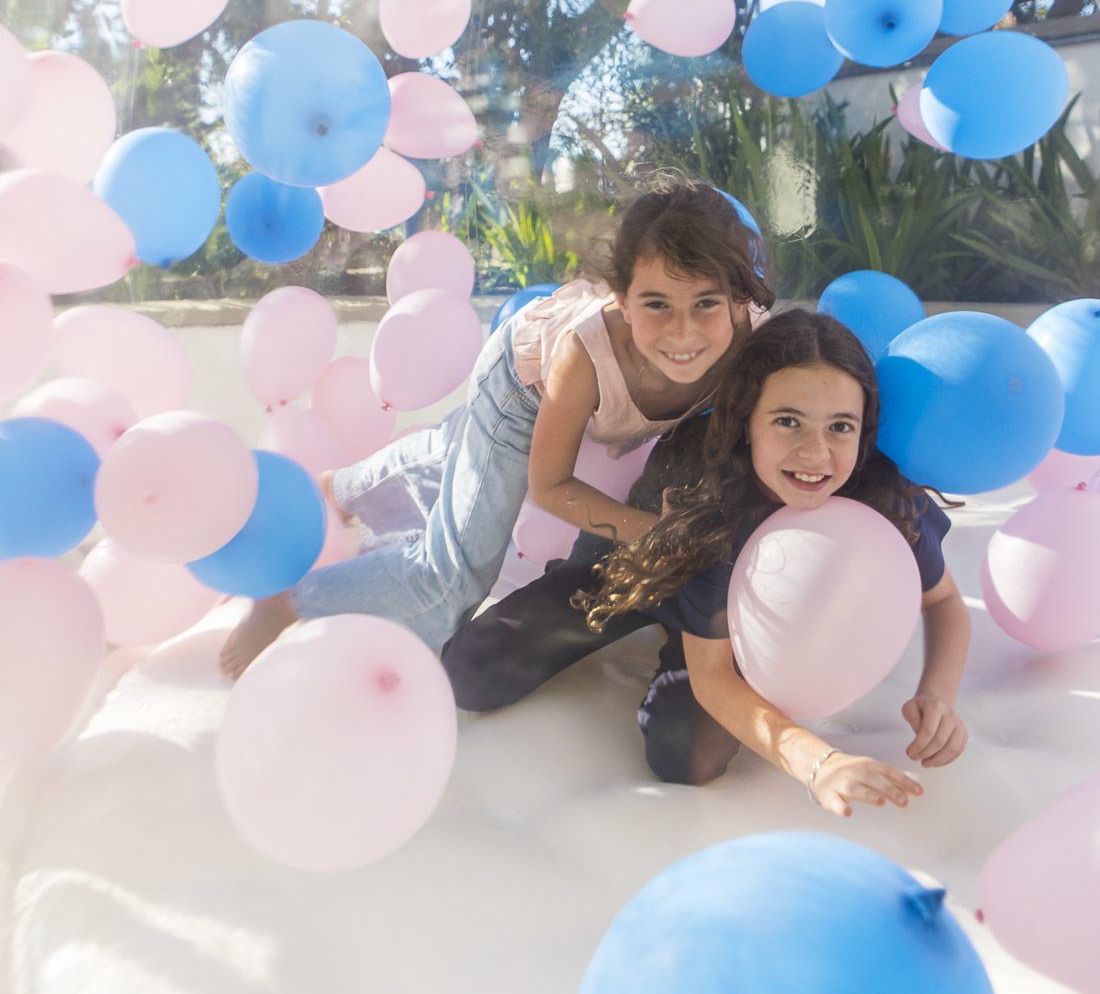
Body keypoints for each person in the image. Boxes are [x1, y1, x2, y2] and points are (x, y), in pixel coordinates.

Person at [220, 178, 774, 677]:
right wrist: (650, 531)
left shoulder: (754, 344)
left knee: (459, 454)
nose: (683, 332)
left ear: (740, 301)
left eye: (706, 303)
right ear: (623, 302)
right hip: (521, 385)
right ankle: (291, 599)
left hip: (591, 397)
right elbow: (549, 486)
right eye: (657, 304)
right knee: (450, 586)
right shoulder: (584, 356)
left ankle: (345, 487)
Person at [441, 308, 971, 819]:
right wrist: (820, 764)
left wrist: (938, 694)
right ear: (747, 422)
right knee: (470, 673)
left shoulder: (877, 496)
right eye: (788, 421)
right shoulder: (709, 493)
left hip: (726, 613)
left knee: (687, 757)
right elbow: (712, 677)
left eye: (840, 427)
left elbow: (945, 599)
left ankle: (696, 634)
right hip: (640, 567)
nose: (815, 453)